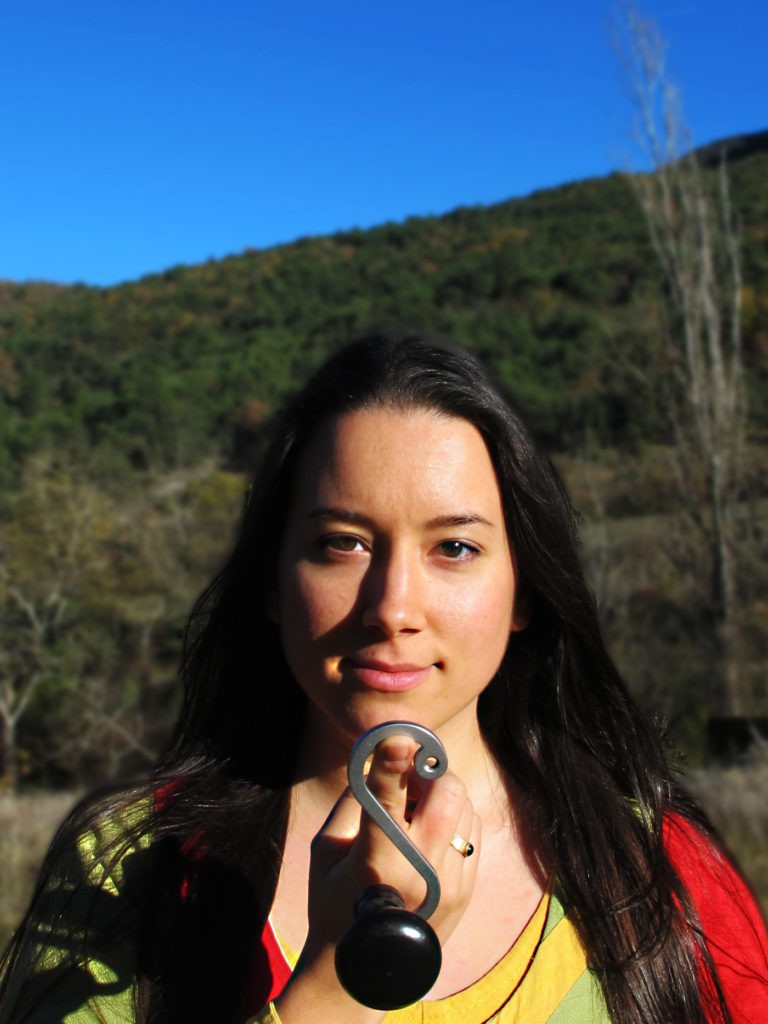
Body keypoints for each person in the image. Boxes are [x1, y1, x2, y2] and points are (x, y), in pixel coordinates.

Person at [1, 334, 766, 1024]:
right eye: (343, 543)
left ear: (524, 591)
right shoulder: (132, 868)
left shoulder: (658, 871)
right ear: (272, 581)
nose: (393, 608)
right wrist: (332, 989)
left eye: (455, 548)